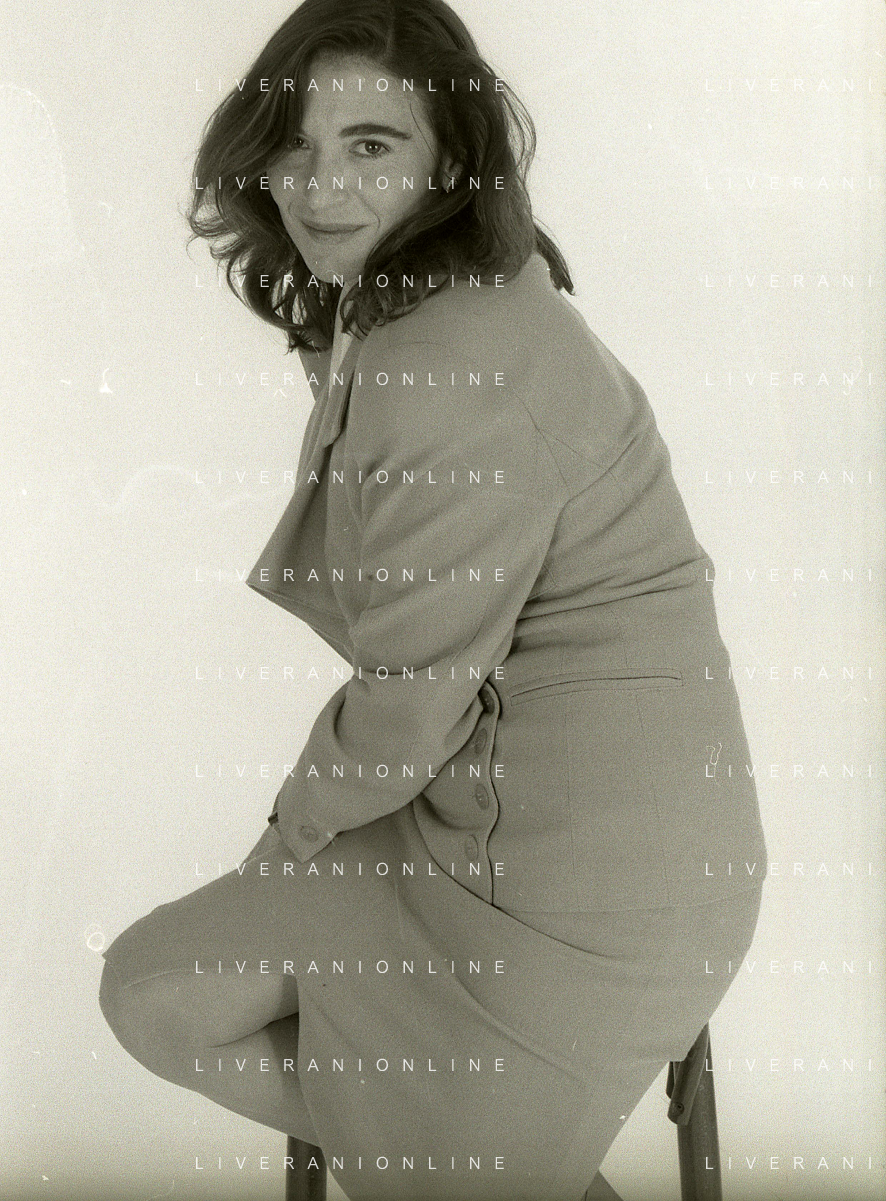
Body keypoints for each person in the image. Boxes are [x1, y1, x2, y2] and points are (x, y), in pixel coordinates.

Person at [98, 1, 769, 1198]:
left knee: (158, 995)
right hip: (534, 825)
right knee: (158, 990)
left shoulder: (446, 361)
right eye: (294, 147)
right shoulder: (460, 304)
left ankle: (467, 1158)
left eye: (370, 145)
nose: (319, 187)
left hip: (574, 887)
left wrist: (286, 835)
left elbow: (406, 707)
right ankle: (471, 1157)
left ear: (449, 161)